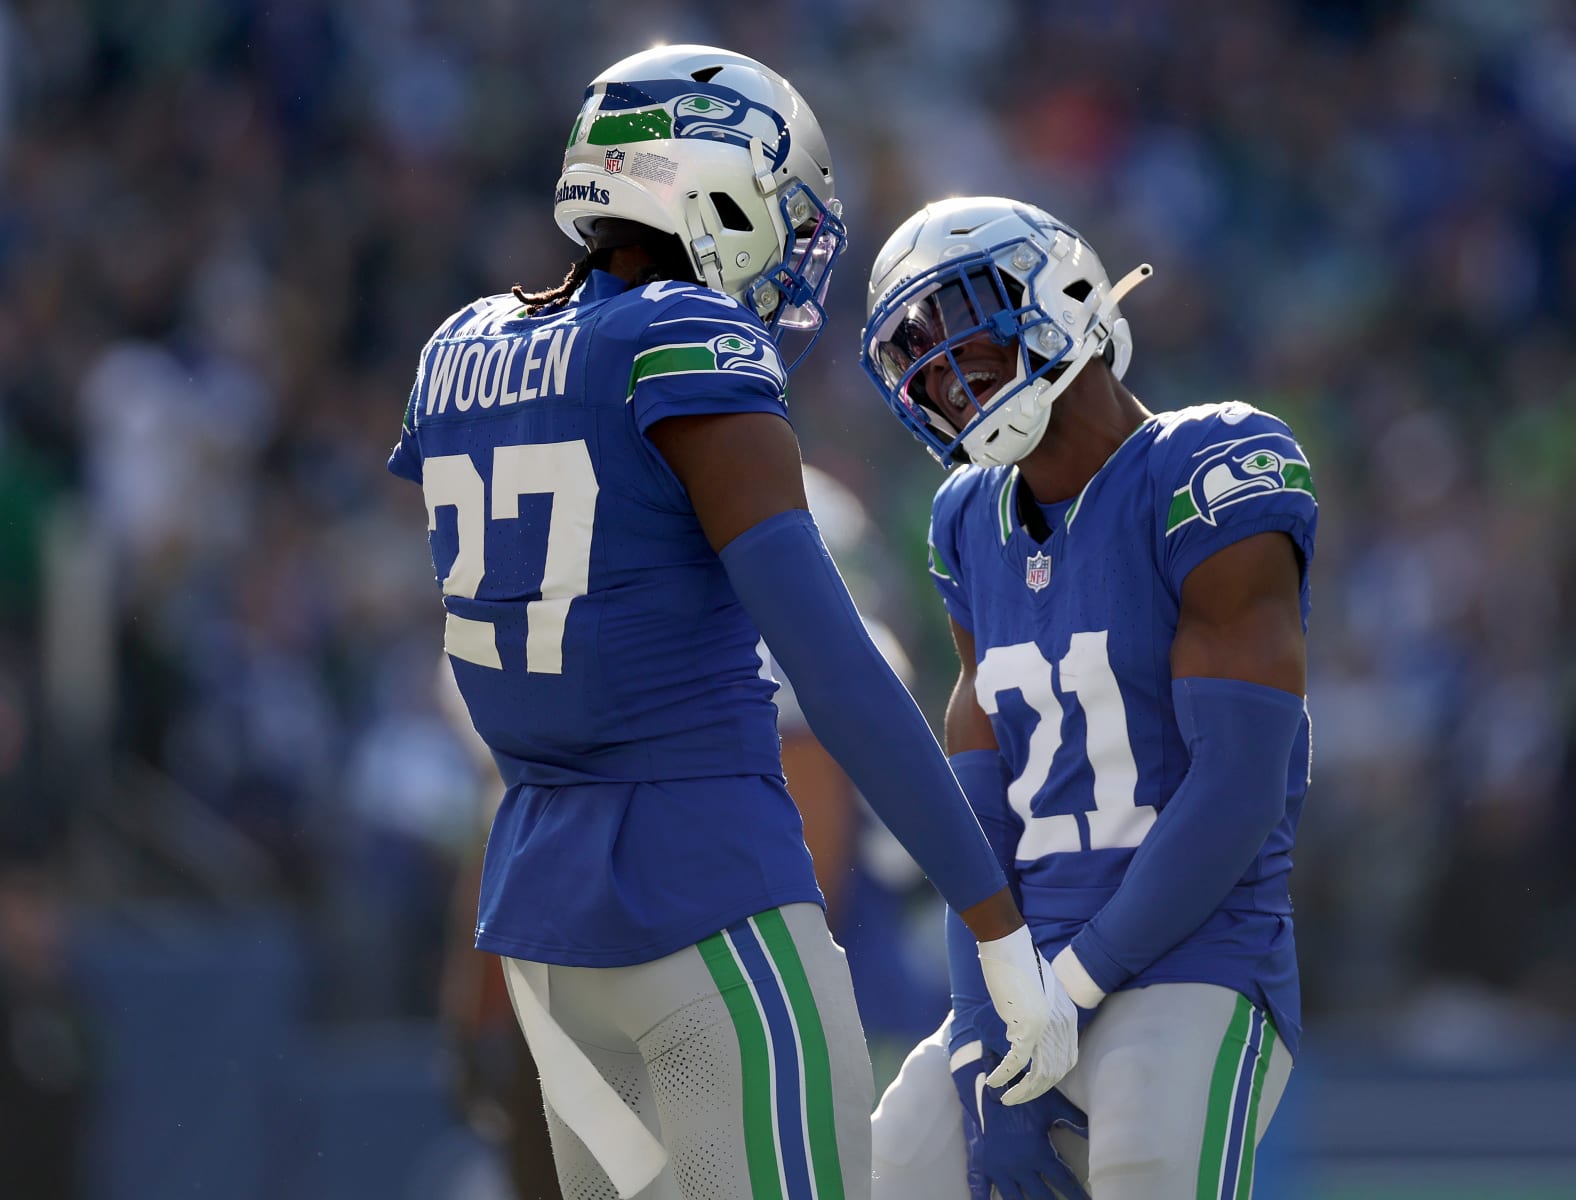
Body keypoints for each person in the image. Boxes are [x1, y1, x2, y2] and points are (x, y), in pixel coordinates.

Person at [385, 51, 1077, 1200]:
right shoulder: (684, 346)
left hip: (544, 933)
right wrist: (999, 926)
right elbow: (836, 673)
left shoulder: (459, 354)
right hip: (707, 906)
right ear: (707, 187)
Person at [859, 197, 1318, 1200]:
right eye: (918, 355)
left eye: (960, 328)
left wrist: (1071, 984)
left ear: (1060, 296)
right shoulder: (966, 521)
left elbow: (1241, 787)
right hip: (1031, 982)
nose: (942, 371)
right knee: (900, 1158)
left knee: (1147, 1158)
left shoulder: (1212, 469)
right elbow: (978, 814)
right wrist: (990, 1035)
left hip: (1197, 960)